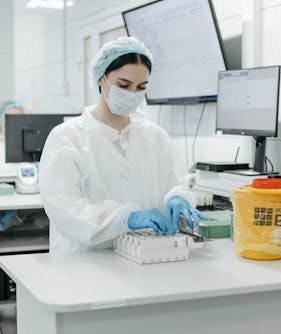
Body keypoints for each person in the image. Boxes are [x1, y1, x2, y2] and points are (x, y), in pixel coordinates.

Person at [39, 37, 201, 253]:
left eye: (141, 87)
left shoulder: (155, 137)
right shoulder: (67, 138)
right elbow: (64, 207)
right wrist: (125, 218)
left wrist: (177, 198)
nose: (133, 94)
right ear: (101, 78)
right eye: (124, 85)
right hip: (85, 262)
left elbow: (172, 184)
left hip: (145, 256)